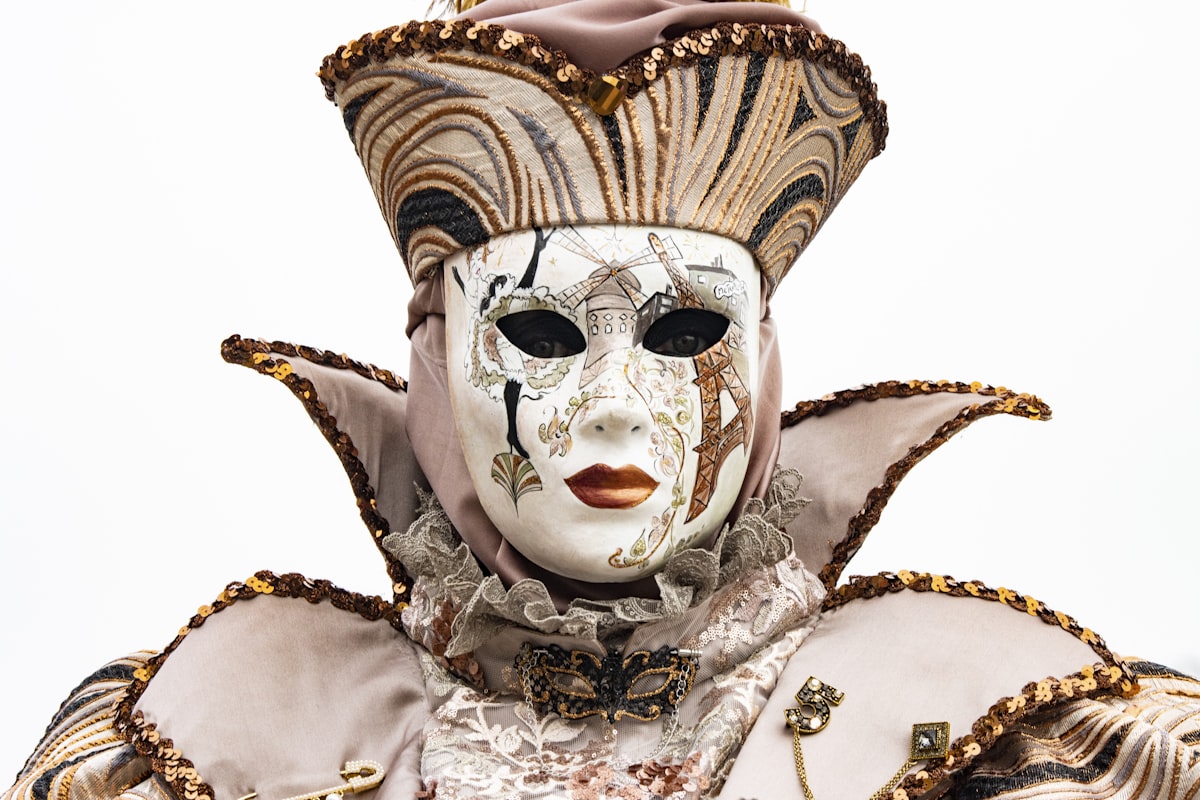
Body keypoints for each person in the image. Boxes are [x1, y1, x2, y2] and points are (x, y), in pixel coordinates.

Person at [7, 1, 1198, 799]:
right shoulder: (218, 729)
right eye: (538, 331)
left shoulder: (999, 728)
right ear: (433, 370)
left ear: (765, 364)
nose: (617, 408)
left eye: (687, 333)